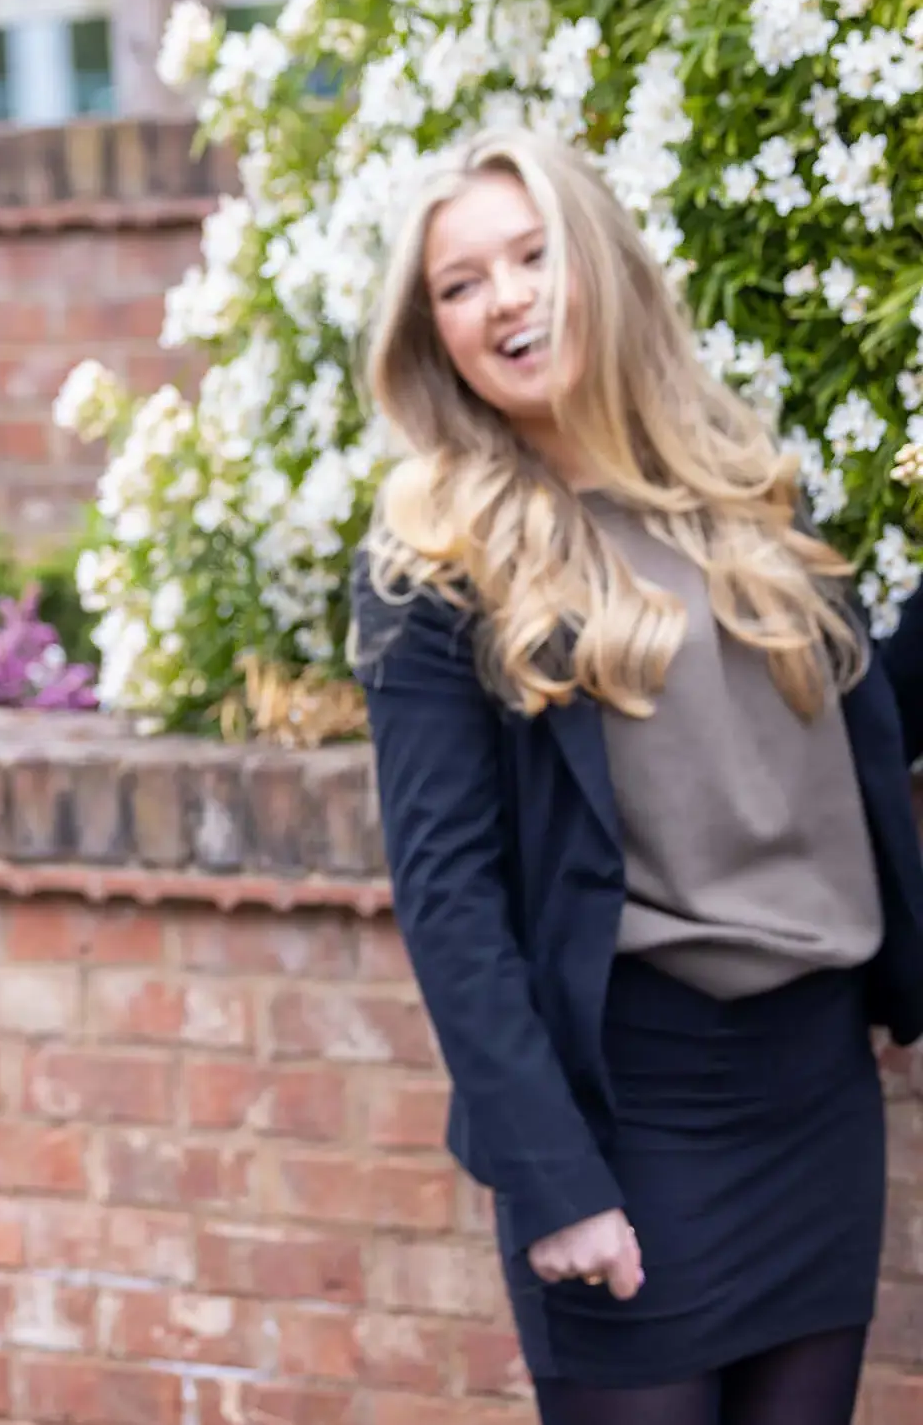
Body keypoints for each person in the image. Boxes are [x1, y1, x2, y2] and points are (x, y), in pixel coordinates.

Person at [349, 127, 923, 1424]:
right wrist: (554, 1178)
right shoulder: (438, 565)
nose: (506, 297)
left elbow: (868, 722)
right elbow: (450, 898)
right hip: (631, 1113)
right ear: (433, 330)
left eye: (535, 254)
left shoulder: (740, 505)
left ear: (600, 265)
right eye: (461, 281)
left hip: (818, 1098)